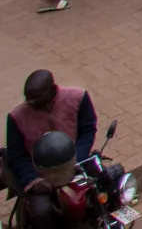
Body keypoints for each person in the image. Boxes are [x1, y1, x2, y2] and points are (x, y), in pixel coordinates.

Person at [5, 72, 99, 214]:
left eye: (37, 99)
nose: (31, 103)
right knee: (42, 212)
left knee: (103, 188)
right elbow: (16, 155)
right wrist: (33, 180)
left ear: (52, 89)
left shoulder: (78, 98)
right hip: (42, 175)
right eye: (29, 99)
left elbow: (88, 129)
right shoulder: (16, 117)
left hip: (77, 163)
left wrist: (78, 160)